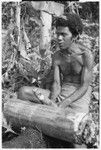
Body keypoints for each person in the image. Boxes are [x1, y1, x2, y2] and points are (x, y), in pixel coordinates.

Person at [18, 13, 93, 114]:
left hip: (79, 96)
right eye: (58, 34)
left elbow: (84, 86)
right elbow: (57, 84)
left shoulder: (86, 55)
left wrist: (64, 103)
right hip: (62, 93)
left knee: (74, 120)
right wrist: (52, 102)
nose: (59, 38)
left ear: (75, 36)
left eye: (63, 34)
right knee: (23, 92)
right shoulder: (57, 56)